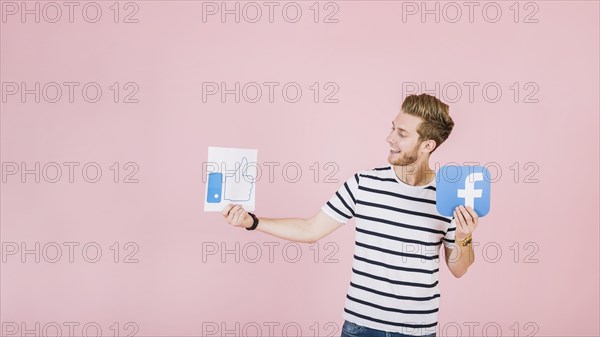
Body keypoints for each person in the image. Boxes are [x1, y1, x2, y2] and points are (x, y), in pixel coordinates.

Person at [222, 93, 479, 337]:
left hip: (418, 329)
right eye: (392, 128)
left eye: (401, 134)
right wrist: (252, 222)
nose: (389, 138)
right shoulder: (364, 183)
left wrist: (465, 236)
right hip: (361, 326)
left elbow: (459, 269)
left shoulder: (449, 195)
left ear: (427, 145)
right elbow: (310, 230)